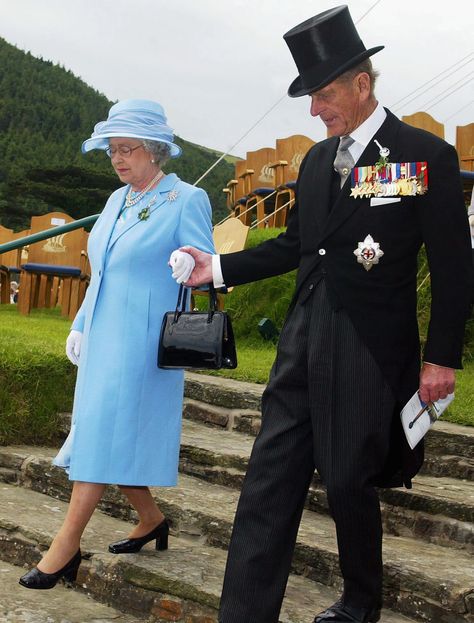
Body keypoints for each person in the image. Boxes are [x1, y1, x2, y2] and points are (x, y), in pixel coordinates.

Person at [170, 7, 472, 623]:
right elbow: (295, 246)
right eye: (310, 97)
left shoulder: (422, 157)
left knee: (346, 481)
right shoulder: (313, 162)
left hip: (368, 343)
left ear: (362, 84)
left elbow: (453, 265)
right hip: (302, 337)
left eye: (324, 94)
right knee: (269, 472)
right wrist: (217, 269)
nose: (314, 110)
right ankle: (245, 613)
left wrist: (440, 356)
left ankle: (361, 602)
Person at [19, 99, 215, 590]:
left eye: (127, 149)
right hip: (104, 336)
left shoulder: (186, 199)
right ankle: (152, 520)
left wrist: (189, 269)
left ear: (155, 150)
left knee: (102, 432)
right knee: (108, 430)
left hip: (146, 342)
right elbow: (101, 271)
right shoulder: (115, 199)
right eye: (112, 151)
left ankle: (64, 547)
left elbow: (207, 267)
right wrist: (80, 324)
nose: (118, 159)